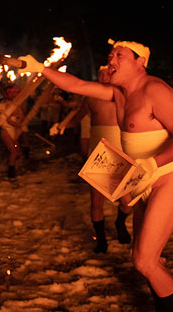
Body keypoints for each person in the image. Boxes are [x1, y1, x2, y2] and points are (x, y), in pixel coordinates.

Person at [19, 40, 173, 312]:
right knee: (146, 257)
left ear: (140, 62)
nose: (110, 59)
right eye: (110, 55)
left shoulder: (156, 91)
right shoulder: (118, 93)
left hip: (172, 179)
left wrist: (152, 163)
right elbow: (75, 84)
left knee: (144, 260)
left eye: (118, 55)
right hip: (143, 181)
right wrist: (40, 68)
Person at [51, 66, 132, 253]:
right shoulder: (91, 98)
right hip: (99, 153)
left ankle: (120, 224)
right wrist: (61, 126)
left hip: (120, 151)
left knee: (127, 200)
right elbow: (76, 119)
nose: (104, 75)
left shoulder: (124, 94)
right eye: (101, 72)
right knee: (97, 202)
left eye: (108, 72)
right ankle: (101, 239)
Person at [0, 84, 26, 178]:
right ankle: (11, 173)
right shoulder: (4, 104)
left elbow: (22, 117)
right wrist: (20, 125)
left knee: (18, 152)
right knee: (14, 152)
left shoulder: (17, 104)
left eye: (14, 92)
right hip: (6, 131)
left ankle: (13, 166)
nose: (13, 95)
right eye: (10, 93)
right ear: (7, 94)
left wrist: (21, 121)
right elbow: (8, 121)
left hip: (14, 131)